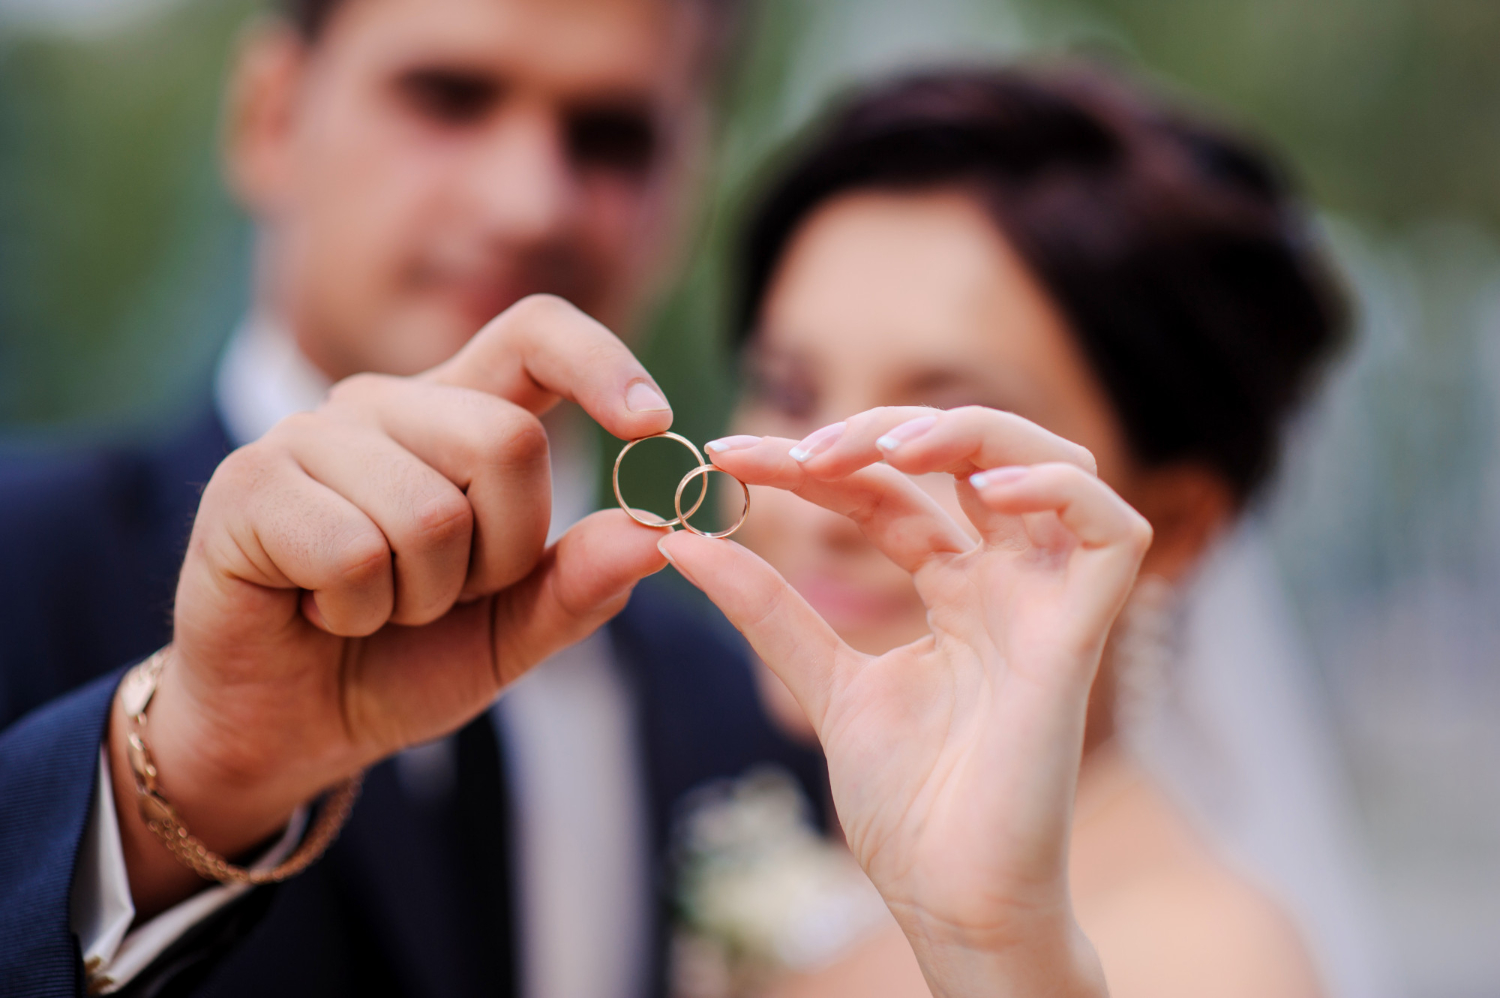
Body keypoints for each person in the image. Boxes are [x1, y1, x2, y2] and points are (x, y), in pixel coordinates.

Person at [0, 1, 833, 996]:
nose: (530, 202)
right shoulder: (24, 563)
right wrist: (187, 776)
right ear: (271, 115)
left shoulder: (751, 705)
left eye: (614, 137)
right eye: (449, 98)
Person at [696, 67, 1348, 996]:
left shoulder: (1208, 957)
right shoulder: (777, 831)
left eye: (941, 437)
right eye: (791, 393)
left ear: (1172, 523)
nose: (813, 499)